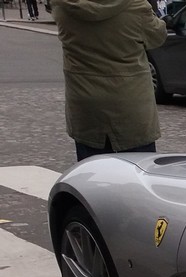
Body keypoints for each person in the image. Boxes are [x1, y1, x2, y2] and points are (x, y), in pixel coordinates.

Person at [52, 0, 168, 160]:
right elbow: (158, 37)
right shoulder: (136, 6)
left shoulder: (63, 5)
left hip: (85, 102)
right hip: (130, 102)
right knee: (136, 174)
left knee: (92, 174)